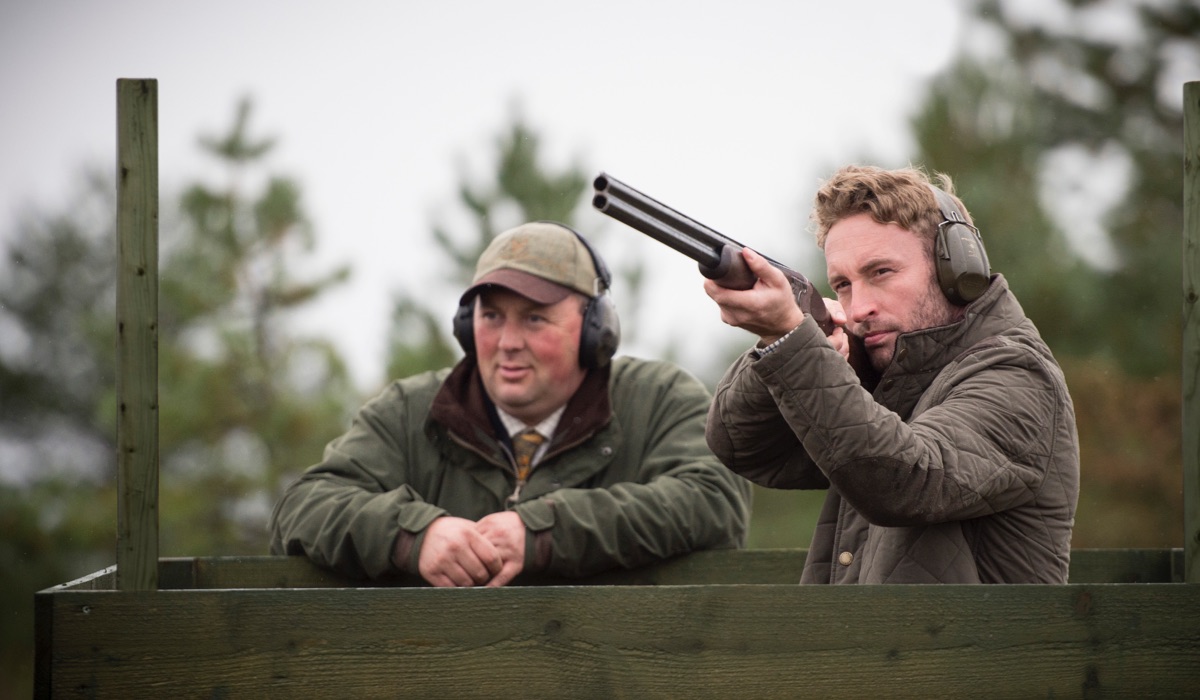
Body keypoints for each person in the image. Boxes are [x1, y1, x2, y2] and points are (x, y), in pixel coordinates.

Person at [270, 221, 752, 586]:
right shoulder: (409, 409)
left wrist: (543, 532)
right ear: (465, 325)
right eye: (492, 316)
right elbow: (304, 507)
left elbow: (713, 498)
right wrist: (414, 536)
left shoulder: (658, 398)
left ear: (594, 330)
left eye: (535, 319)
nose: (507, 342)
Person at [703, 165, 1079, 584]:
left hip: (965, 651)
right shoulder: (887, 374)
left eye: (880, 272)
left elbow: (902, 481)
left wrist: (794, 341)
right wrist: (789, 344)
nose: (858, 307)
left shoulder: (1019, 376)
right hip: (874, 648)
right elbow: (743, 444)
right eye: (842, 284)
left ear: (956, 269)